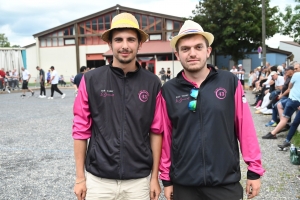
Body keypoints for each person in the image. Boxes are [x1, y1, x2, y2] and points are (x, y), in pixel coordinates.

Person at [160, 20, 264, 200]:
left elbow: (245, 127)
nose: (192, 53)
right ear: (177, 54)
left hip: (224, 183)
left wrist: (254, 169)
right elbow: (166, 137)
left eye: (198, 47)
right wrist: (166, 179)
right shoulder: (168, 90)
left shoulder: (229, 82)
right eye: (185, 49)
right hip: (185, 185)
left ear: (208, 51)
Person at [72, 12, 162, 200]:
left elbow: (156, 131)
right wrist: (80, 178)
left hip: (139, 181)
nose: (125, 46)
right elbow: (80, 130)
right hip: (98, 180)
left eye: (131, 39)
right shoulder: (91, 80)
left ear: (139, 43)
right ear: (110, 44)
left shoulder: (152, 83)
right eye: (118, 39)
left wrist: (155, 177)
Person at [262, 63, 300, 139]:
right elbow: (287, 88)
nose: (294, 70)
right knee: (277, 104)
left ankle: (276, 129)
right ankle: (280, 122)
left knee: (276, 103)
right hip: (290, 98)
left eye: (296, 69)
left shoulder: (295, 76)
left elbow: (289, 88)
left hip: (292, 99)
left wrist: (281, 95)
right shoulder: (292, 76)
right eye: (294, 69)